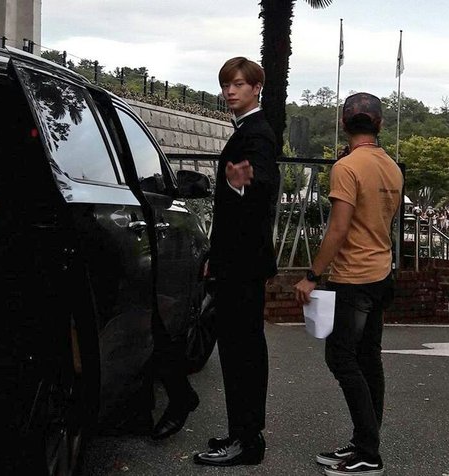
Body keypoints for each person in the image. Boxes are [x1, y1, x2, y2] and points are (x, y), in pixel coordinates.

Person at [295, 92, 403, 476]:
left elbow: (338, 228)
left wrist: (312, 275)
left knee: (341, 358)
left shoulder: (347, 167)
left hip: (353, 277)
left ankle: (368, 452)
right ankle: (364, 443)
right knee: (368, 359)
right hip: (381, 273)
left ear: (344, 123)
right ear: (380, 124)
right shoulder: (392, 168)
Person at [193, 57, 279, 467]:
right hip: (239, 261)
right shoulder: (247, 129)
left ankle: (246, 440)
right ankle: (243, 434)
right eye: (226, 83)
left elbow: (263, 180)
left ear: (257, 88)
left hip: (242, 264)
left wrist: (244, 183)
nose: (230, 90)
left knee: (240, 350)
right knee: (241, 348)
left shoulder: (256, 132)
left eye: (239, 84)